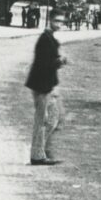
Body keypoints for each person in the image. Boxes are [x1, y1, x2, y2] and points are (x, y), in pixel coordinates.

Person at [25, 11, 67, 166]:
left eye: (61, 21)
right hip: (42, 85)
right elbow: (44, 64)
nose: (59, 24)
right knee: (43, 120)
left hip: (48, 85)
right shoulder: (45, 39)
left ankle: (42, 151)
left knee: (53, 119)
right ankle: (37, 156)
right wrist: (60, 61)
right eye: (56, 20)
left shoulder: (50, 38)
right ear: (50, 20)